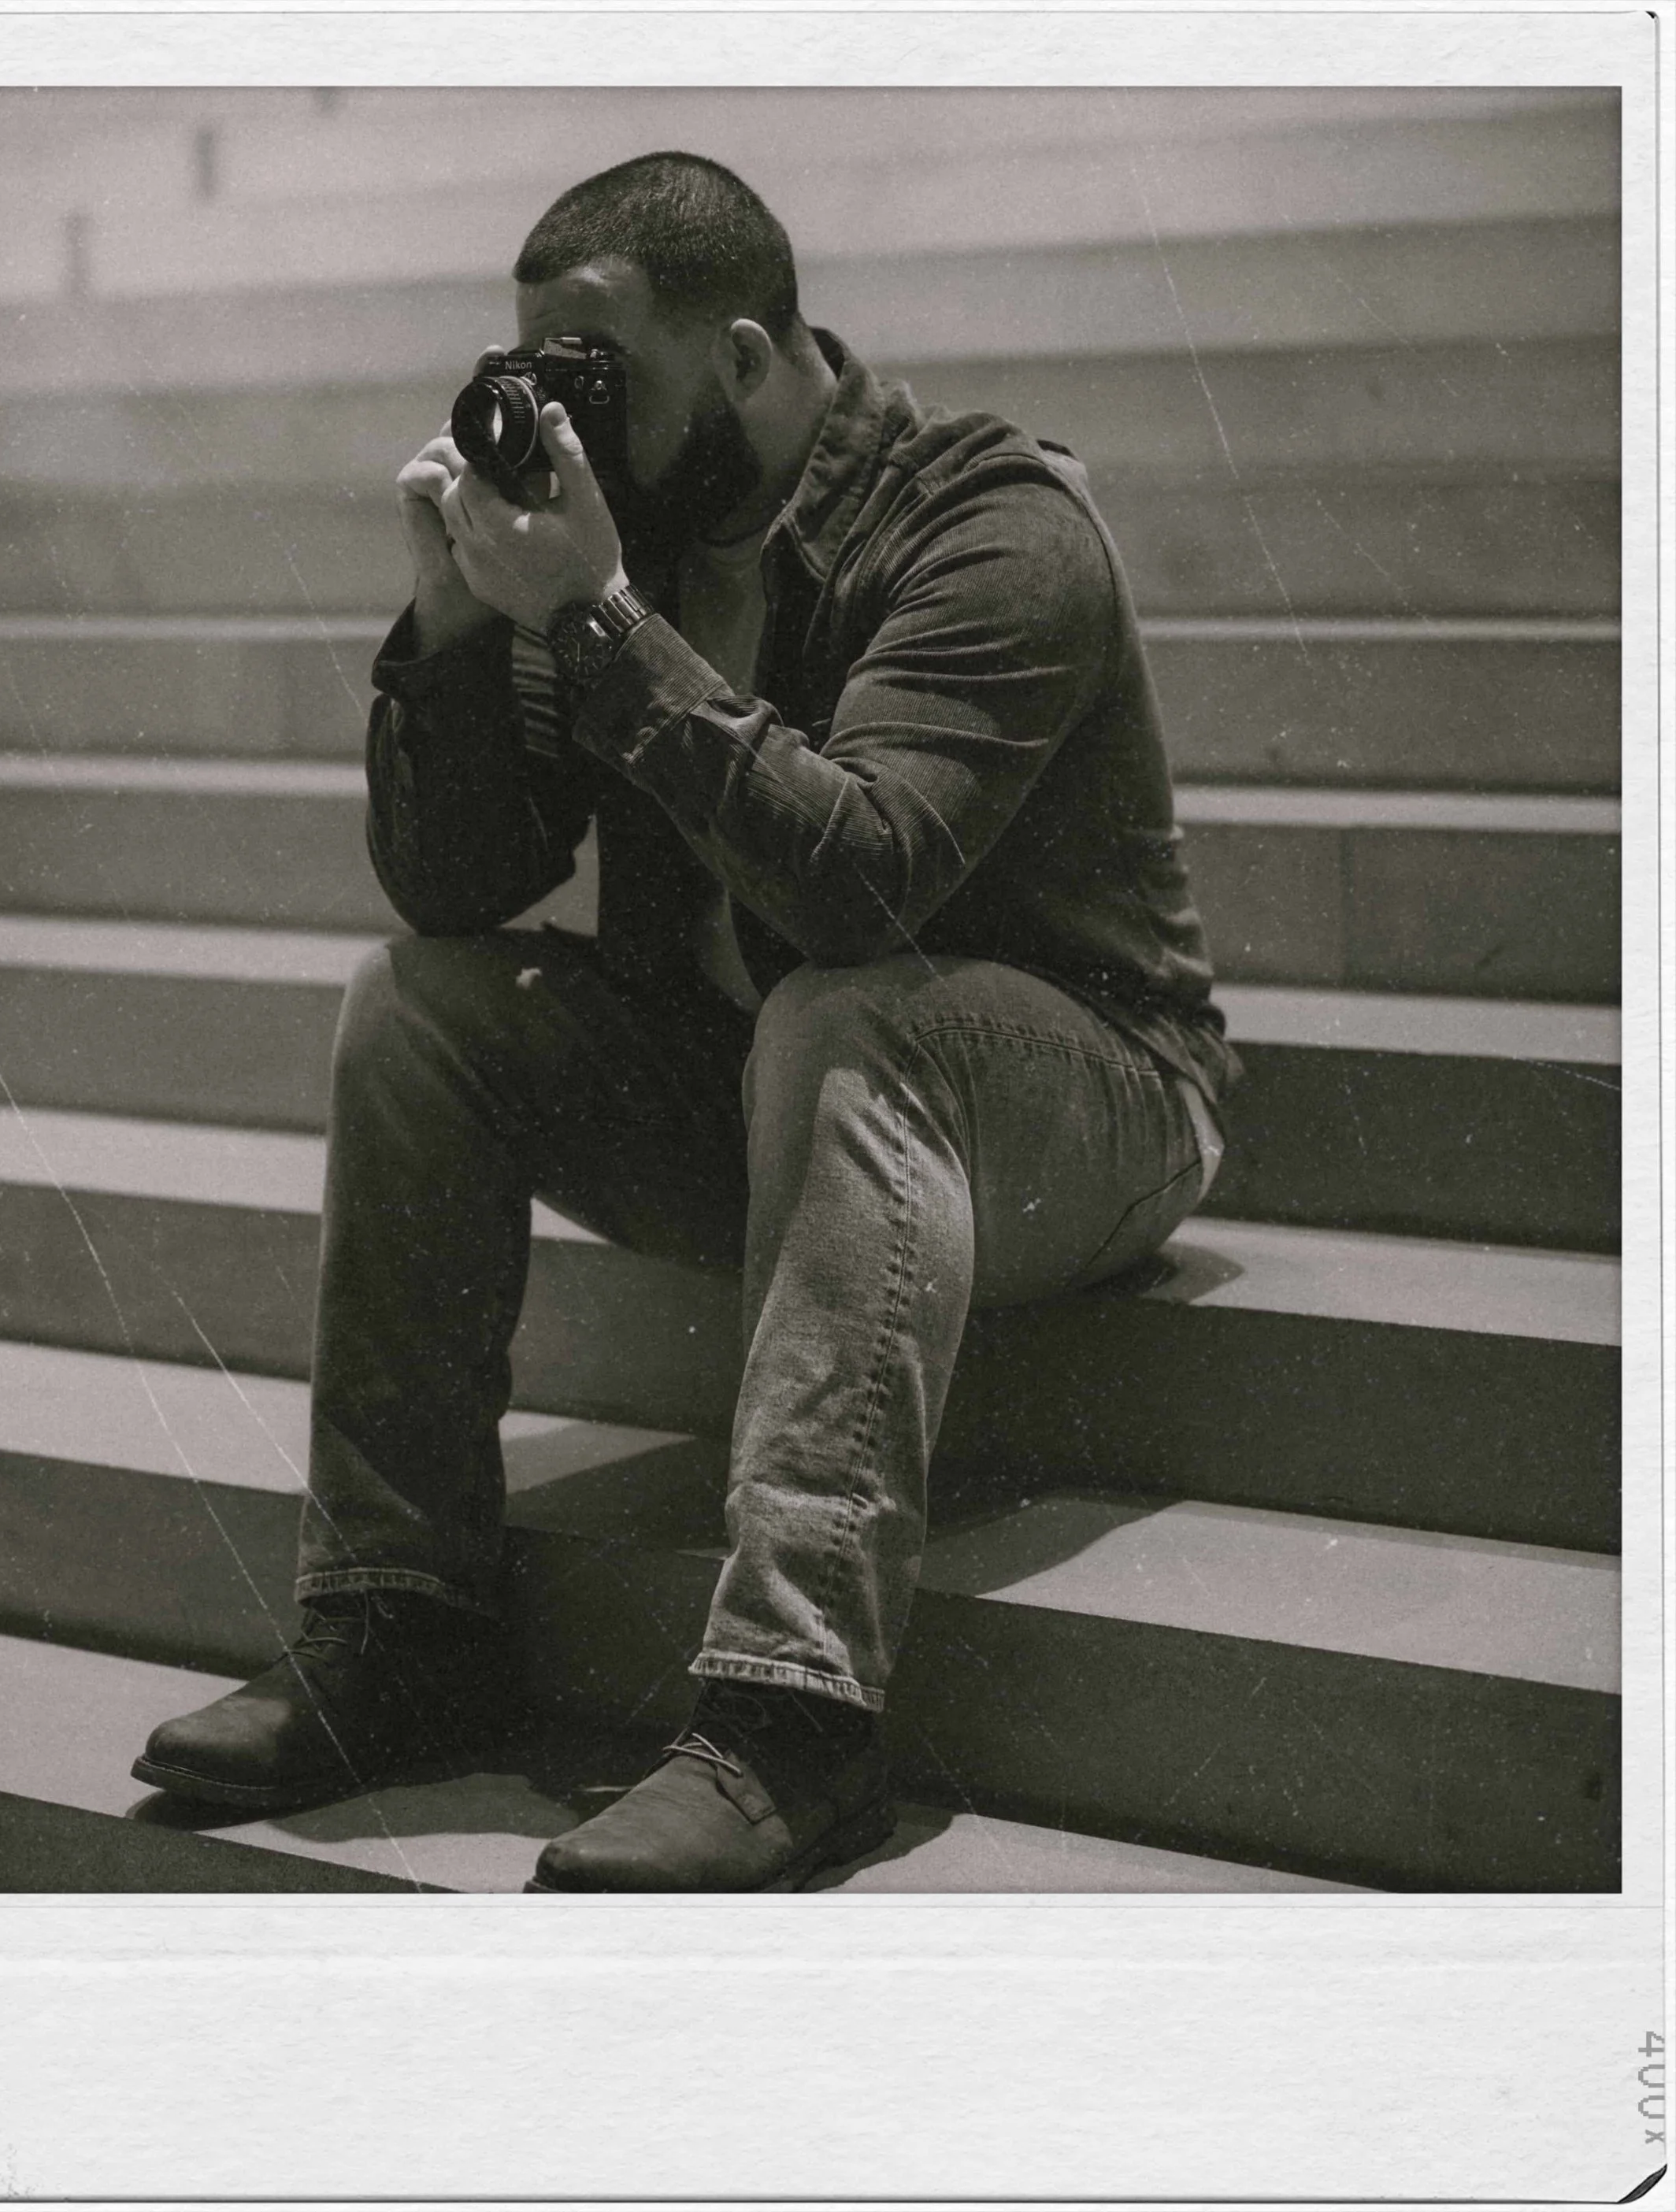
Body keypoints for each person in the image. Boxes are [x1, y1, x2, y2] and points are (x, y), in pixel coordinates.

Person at [133, 151, 1238, 1892]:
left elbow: (860, 890)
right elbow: (454, 889)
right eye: (534, 383)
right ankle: (402, 1624)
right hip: (768, 1093)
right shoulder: (614, 544)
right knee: (413, 1007)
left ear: (738, 358)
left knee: (846, 1014)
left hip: (1072, 1105)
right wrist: (445, 626)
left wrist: (595, 616)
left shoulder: (983, 522)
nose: (564, 430)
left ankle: (796, 1720)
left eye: (599, 383)